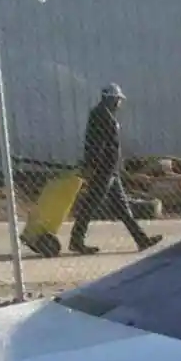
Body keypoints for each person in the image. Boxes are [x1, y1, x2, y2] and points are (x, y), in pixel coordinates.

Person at [70, 84, 162, 256]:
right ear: (111, 99)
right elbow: (98, 145)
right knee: (91, 205)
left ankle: (141, 239)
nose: (120, 103)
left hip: (110, 170)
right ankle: (76, 240)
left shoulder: (102, 114)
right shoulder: (103, 117)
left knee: (122, 207)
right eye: (118, 99)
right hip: (103, 170)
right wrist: (93, 167)